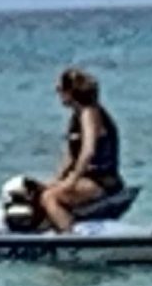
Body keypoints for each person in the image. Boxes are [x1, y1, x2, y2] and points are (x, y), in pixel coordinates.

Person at [37, 66, 124, 232]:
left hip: (101, 181)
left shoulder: (90, 113)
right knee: (38, 191)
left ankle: (70, 237)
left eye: (60, 89)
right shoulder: (76, 116)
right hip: (86, 179)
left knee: (50, 197)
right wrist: (57, 179)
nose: (57, 93)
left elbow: (88, 151)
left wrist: (71, 181)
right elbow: (71, 155)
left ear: (70, 91)